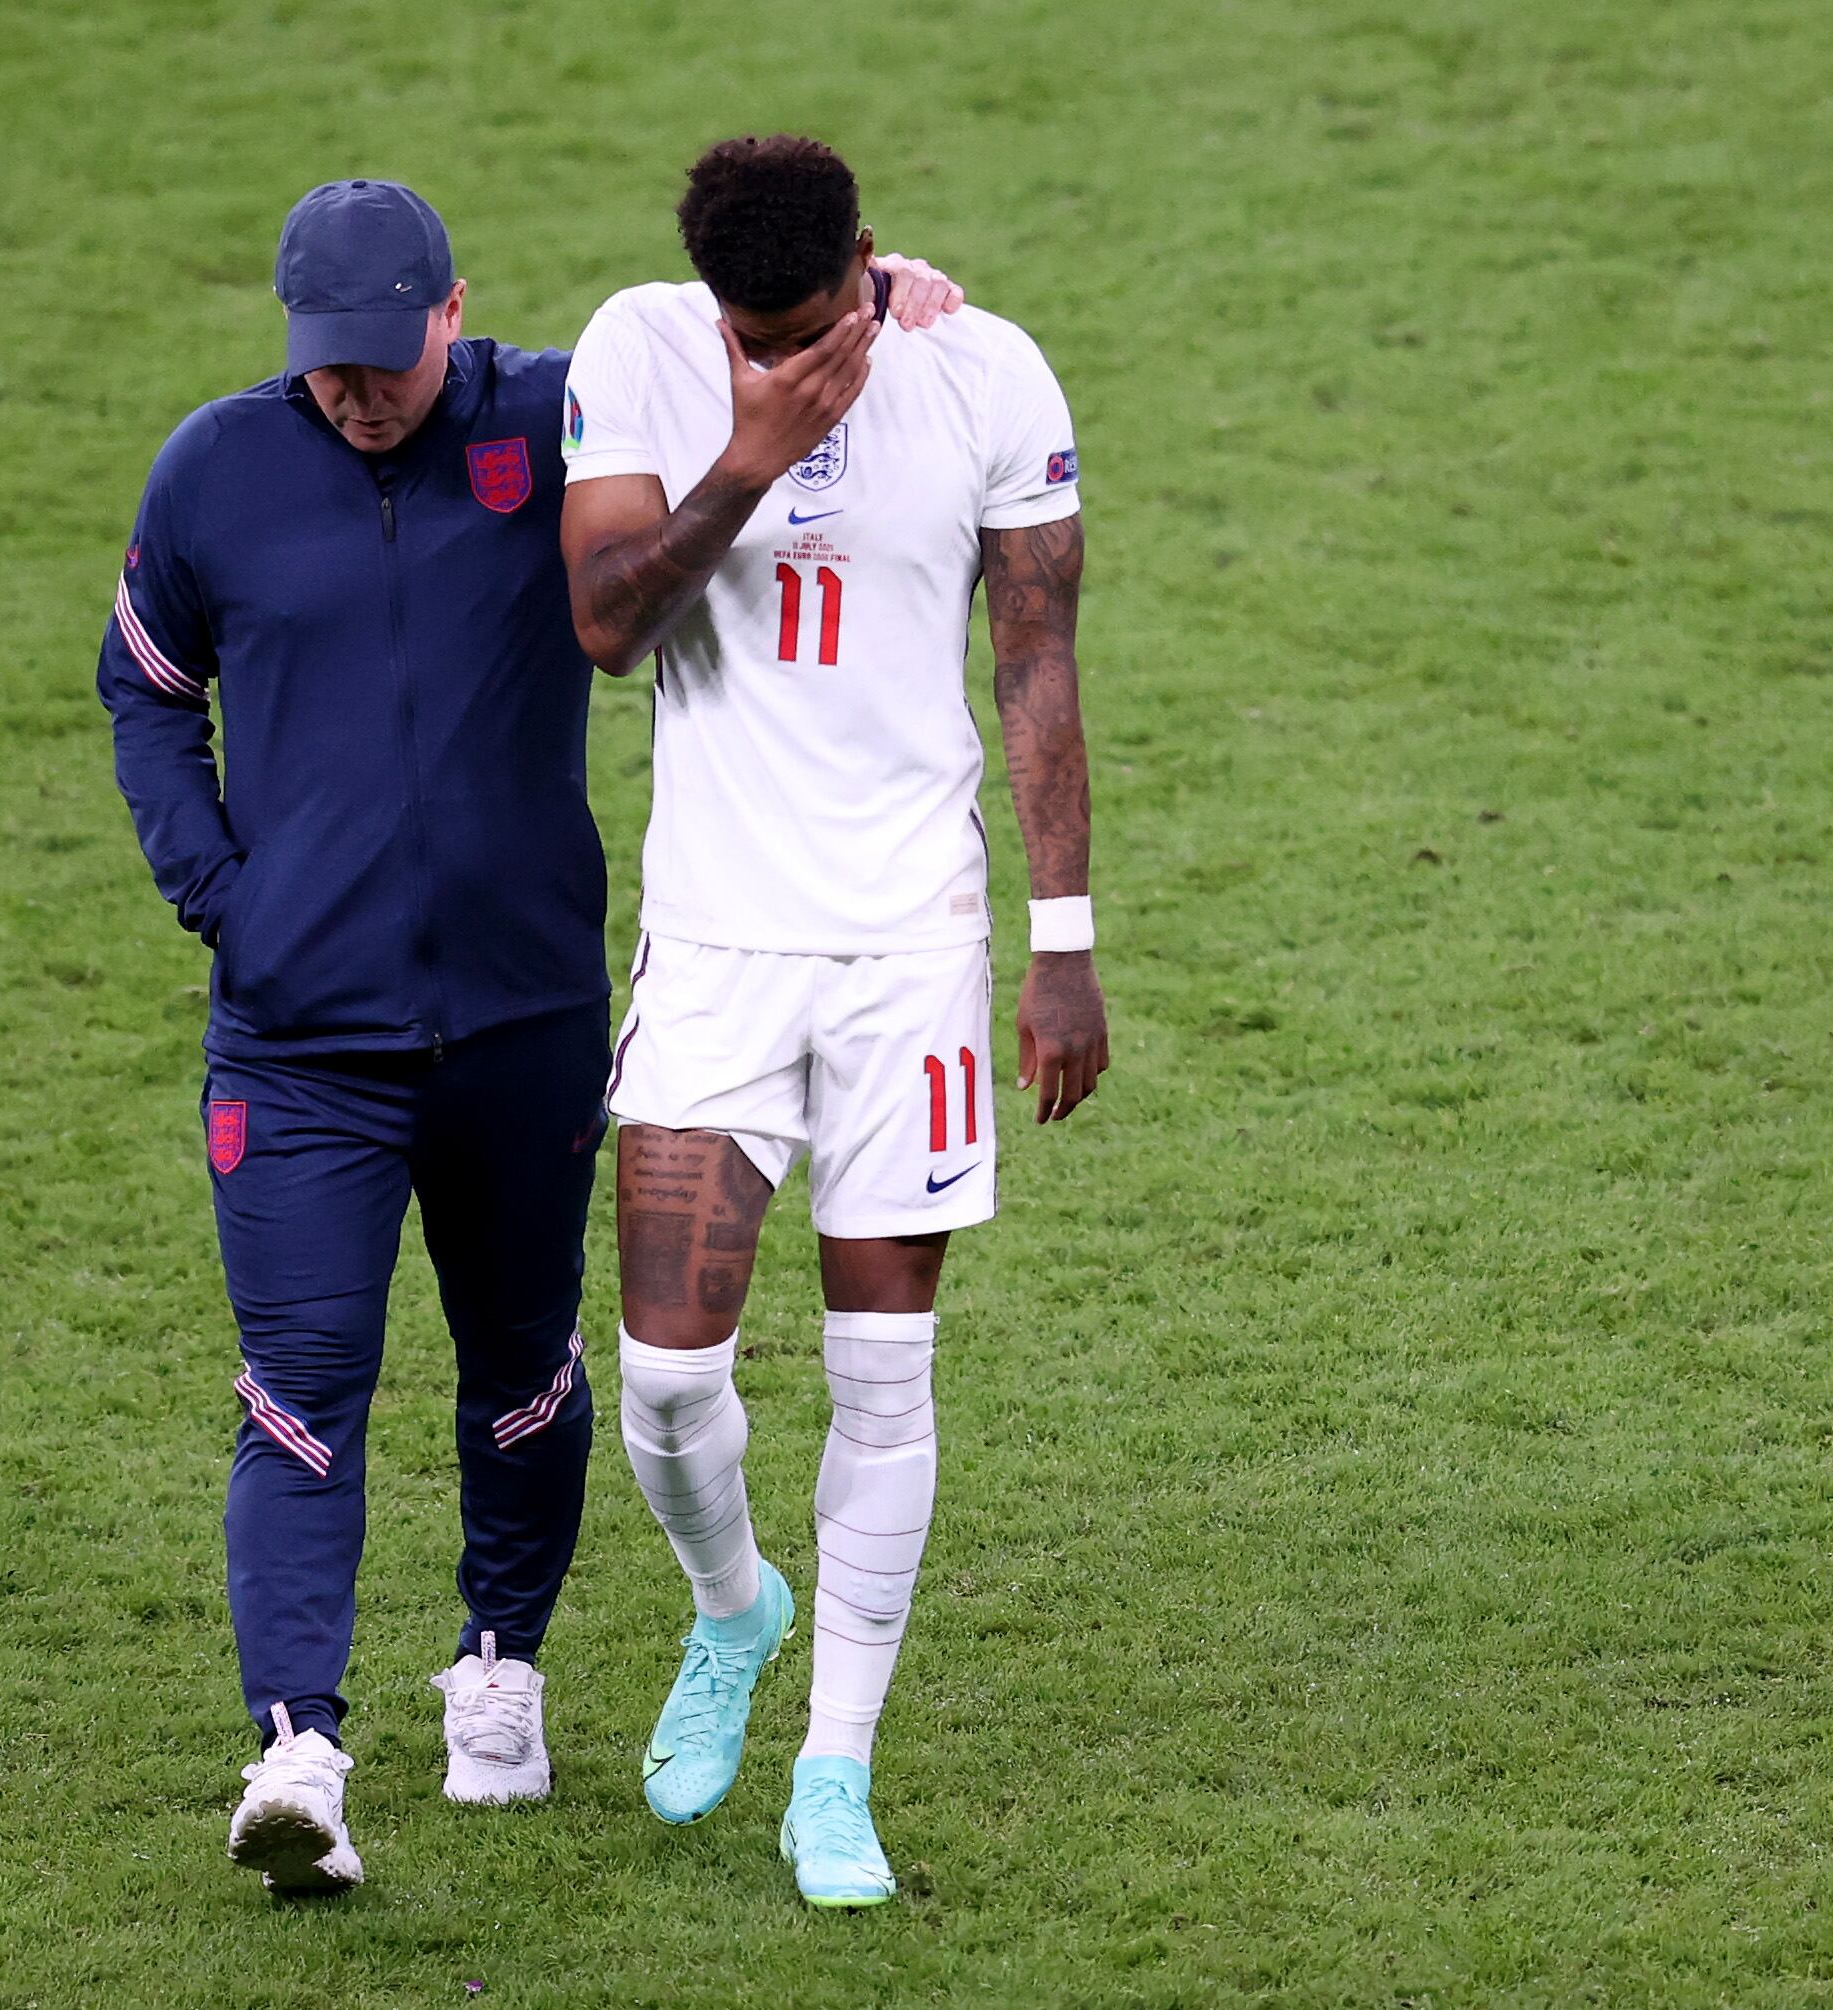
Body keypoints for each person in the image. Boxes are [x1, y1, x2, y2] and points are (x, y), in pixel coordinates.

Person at [95, 176, 963, 1895]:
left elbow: (766, 352)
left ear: (451, 311)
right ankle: (300, 1750)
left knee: (526, 1374)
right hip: (299, 1042)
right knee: (300, 1390)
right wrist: (223, 895)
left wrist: (889, 290)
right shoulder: (216, 470)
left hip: (525, 1020)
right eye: (327, 368)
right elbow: (143, 684)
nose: (359, 394)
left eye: (387, 362)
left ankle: (501, 1667)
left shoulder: (562, 410)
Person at [557, 134, 1111, 1908]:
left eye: (802, 328)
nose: (774, 355)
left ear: (869, 268)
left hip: (907, 952)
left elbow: (1033, 652)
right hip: (718, 941)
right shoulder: (642, 350)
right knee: (662, 1379)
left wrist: (1064, 938)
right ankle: (735, 1608)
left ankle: (836, 1767)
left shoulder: (982, 368)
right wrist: (751, 452)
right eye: (747, 328)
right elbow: (605, 624)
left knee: (884, 1376)